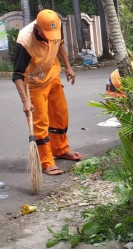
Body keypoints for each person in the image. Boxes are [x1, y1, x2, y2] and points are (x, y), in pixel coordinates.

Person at [12, 9, 81, 176]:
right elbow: (17, 75)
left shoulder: (54, 28)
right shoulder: (25, 42)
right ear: (38, 27)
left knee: (60, 114)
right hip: (34, 84)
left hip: (52, 75)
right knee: (40, 123)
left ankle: (60, 149)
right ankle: (46, 161)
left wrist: (68, 67)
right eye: (47, 33)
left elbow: (60, 44)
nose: (51, 36)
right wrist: (25, 101)